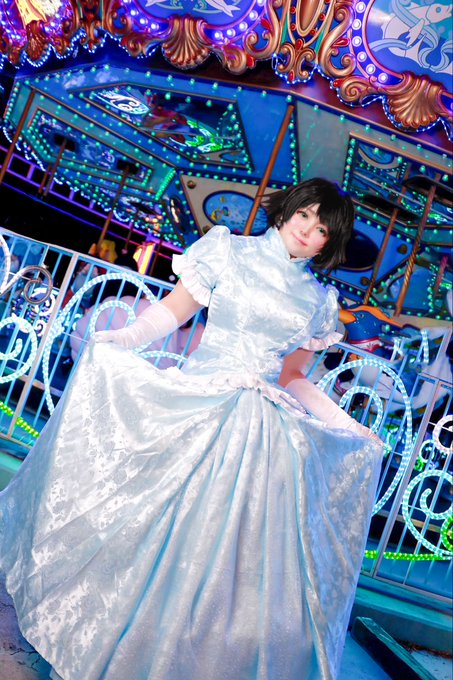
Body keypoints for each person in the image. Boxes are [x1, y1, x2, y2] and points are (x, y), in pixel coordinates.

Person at [0, 178, 383, 680]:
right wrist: (122, 338)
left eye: (322, 230)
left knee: (235, 564)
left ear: (328, 245)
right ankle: (113, 638)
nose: (308, 230)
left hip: (263, 435)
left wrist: (349, 425)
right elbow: (172, 312)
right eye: (306, 215)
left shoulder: (317, 300)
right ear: (288, 210)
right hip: (200, 402)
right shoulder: (228, 251)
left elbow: (293, 377)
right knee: (147, 523)